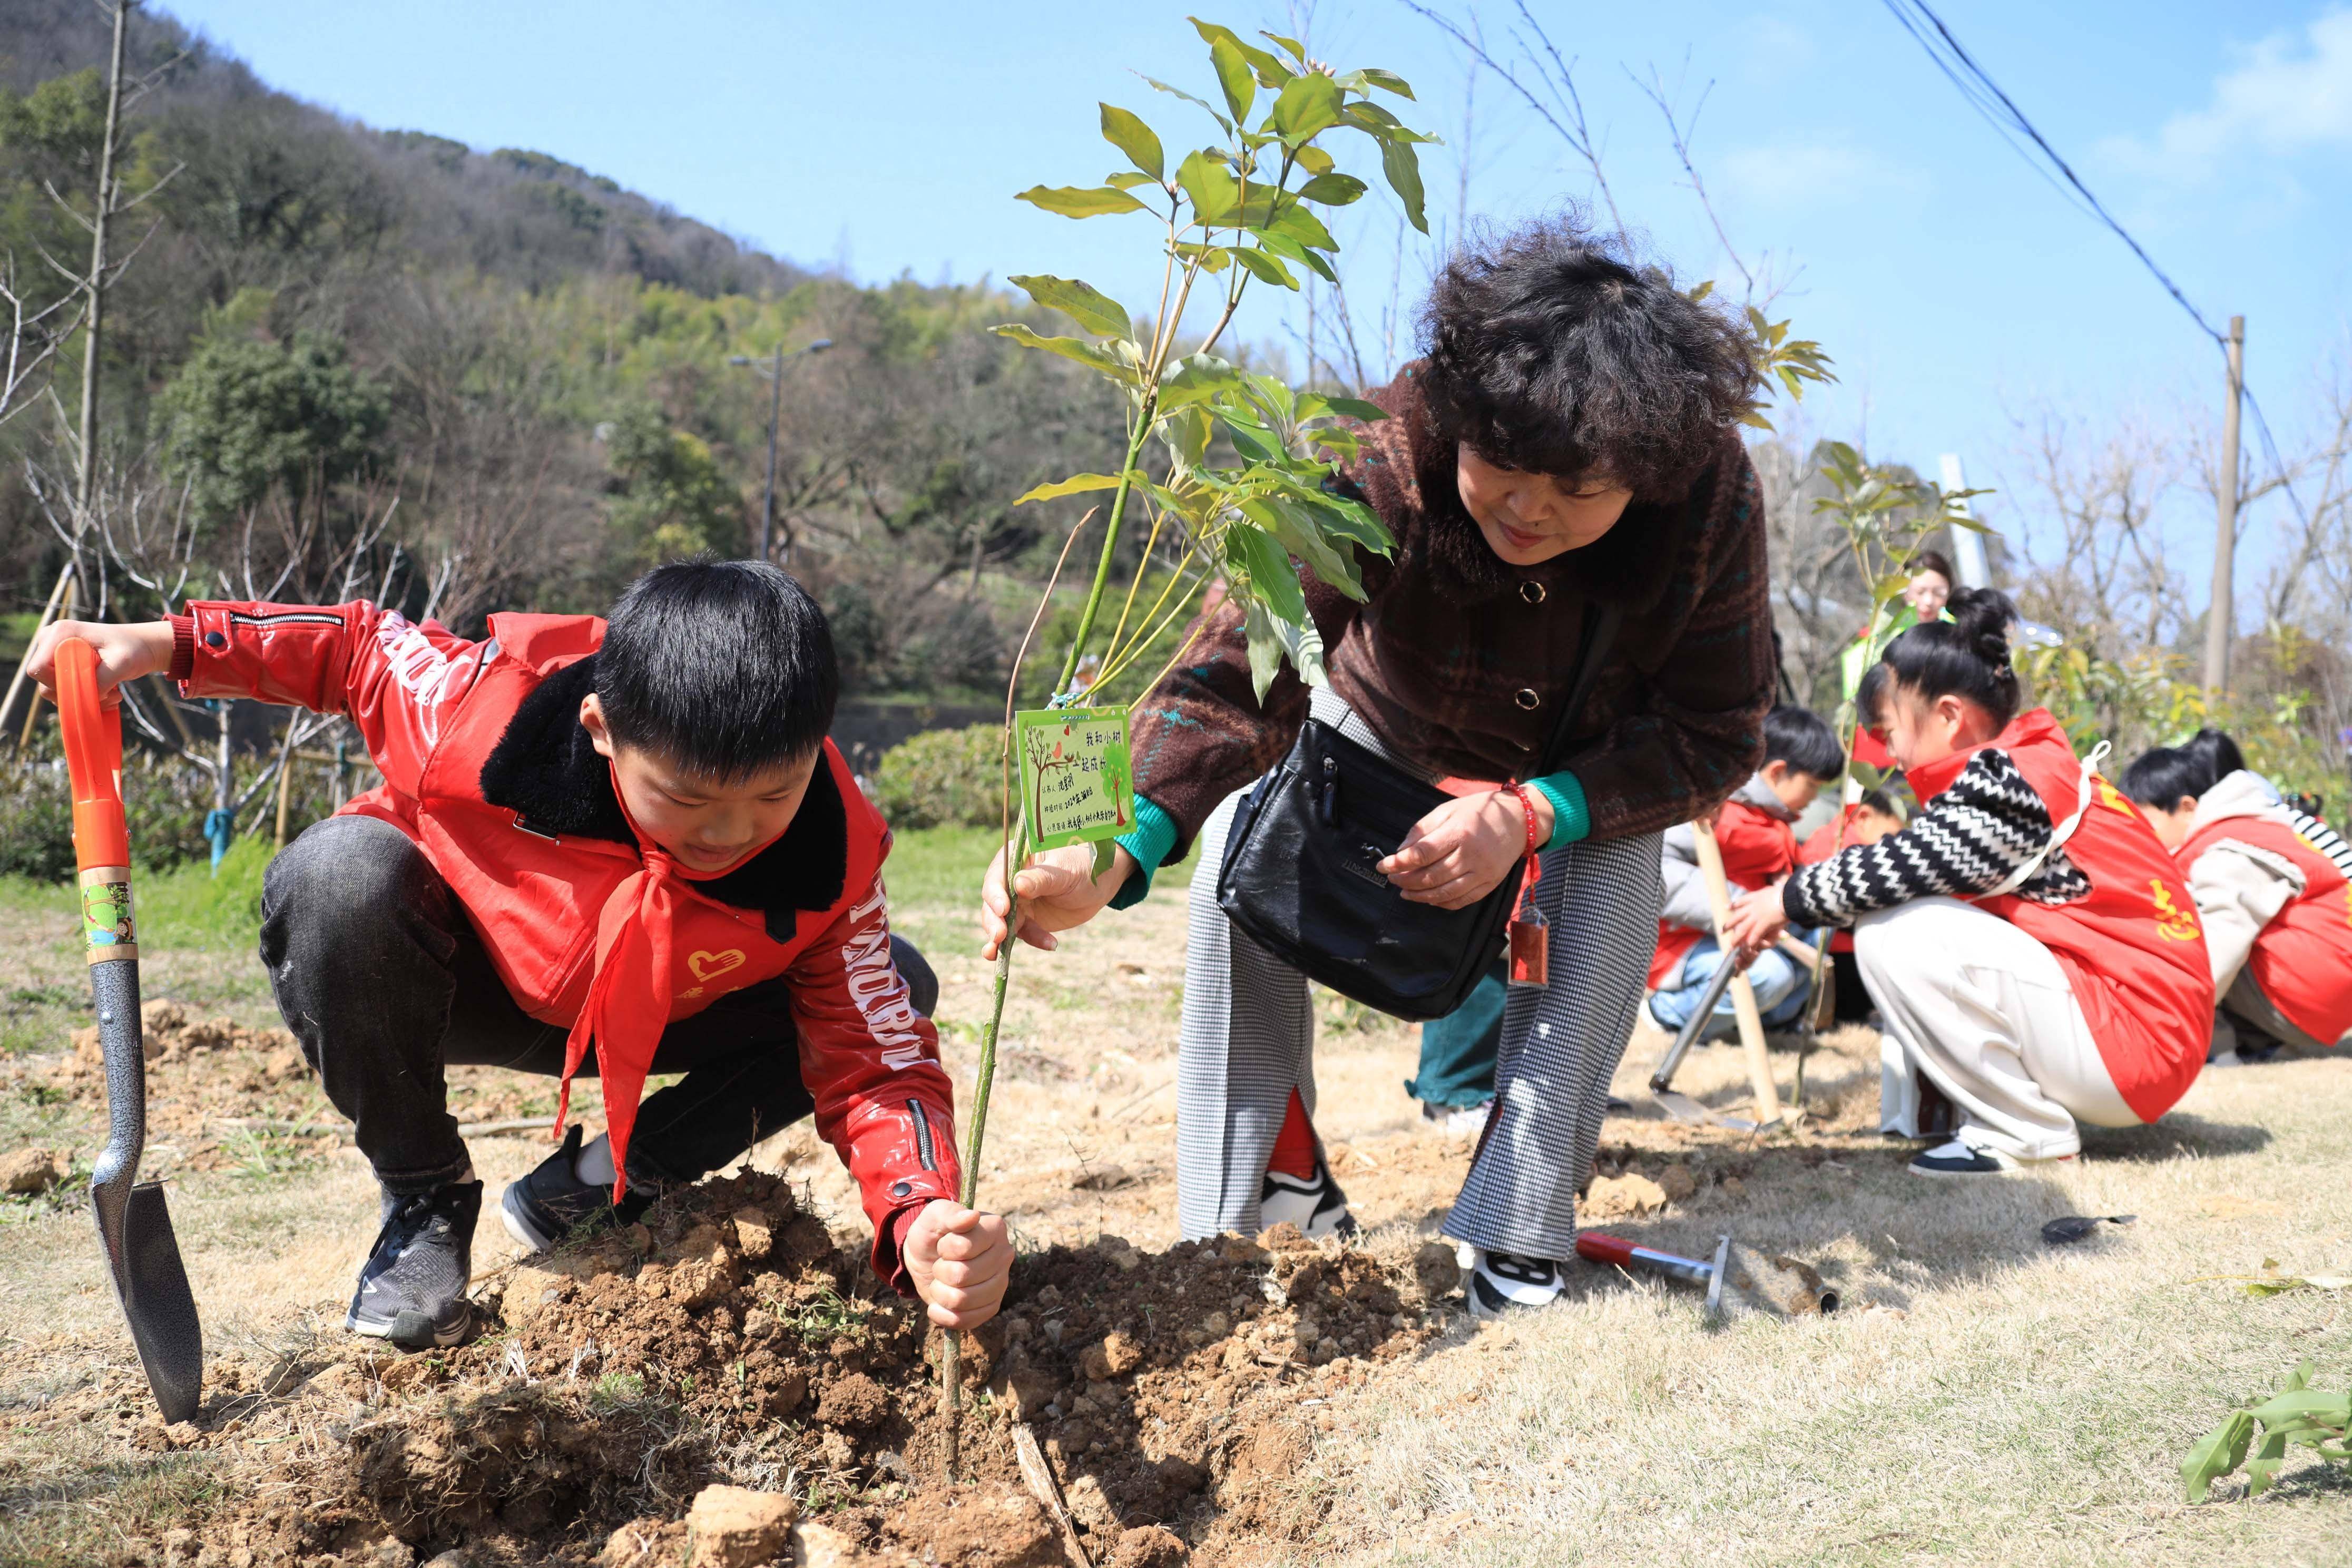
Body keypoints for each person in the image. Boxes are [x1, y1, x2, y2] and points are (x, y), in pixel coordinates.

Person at [983, 218, 1777, 1315]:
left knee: (1612, 889)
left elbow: (1719, 727)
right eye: (1503, 465)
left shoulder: (1710, 495)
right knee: (1234, 850)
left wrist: (1536, 812)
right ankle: (1255, 1201)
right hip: (1377, 716)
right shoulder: (1388, 441)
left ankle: (1521, 1229)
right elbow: (1242, 658)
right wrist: (1113, 842)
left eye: (1577, 487)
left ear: (1645, 475)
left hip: (1590, 769)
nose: (1528, 507)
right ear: (1461, 413)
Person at [26, 561, 1011, 1348]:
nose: (728, 834)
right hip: (473, 979)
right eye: (685, 797)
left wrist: (915, 1213)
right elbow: (360, 649)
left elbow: (874, 1055)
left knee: (902, 983)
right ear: (600, 730)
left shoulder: (830, 851)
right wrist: (166, 643)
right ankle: (422, 1202)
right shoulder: (483, 713)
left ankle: (594, 1191)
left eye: (769, 797)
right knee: (338, 875)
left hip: (671, 1010)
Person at [1723, 588, 2213, 1176]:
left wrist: (1784, 899)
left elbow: (1908, 862)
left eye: (1890, 729)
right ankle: (1998, 1117)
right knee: (1905, 915)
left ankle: (2026, 1133)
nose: (1889, 753)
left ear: (1951, 715)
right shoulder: (2031, 763)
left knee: (1894, 931)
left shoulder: (2012, 780)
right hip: (2141, 1030)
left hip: (2136, 1040)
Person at [2123, 730, 2352, 1062]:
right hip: (2330, 991)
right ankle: (2264, 1043)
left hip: (2311, 996)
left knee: (2173, 924)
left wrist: (2160, 1023)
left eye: (2147, 825)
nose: (2142, 838)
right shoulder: (2260, 829)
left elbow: (2217, 949)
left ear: (2187, 808)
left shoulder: (2225, 853)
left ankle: (2220, 1052)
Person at [1645, 704, 1843, 1041]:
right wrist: (1739, 905)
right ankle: (1668, 1012)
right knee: (1771, 976)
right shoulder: (1717, 810)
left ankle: (1765, 1022)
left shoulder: (1774, 820)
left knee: (1818, 927)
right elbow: (1660, 870)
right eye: (1812, 785)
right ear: (1778, 771)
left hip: (1743, 934)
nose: (1815, 796)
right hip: (1684, 942)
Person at [1798, 788, 1905, 1025]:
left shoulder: (1849, 842)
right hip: (1839, 958)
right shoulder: (1831, 848)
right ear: (1864, 818)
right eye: (1893, 838)